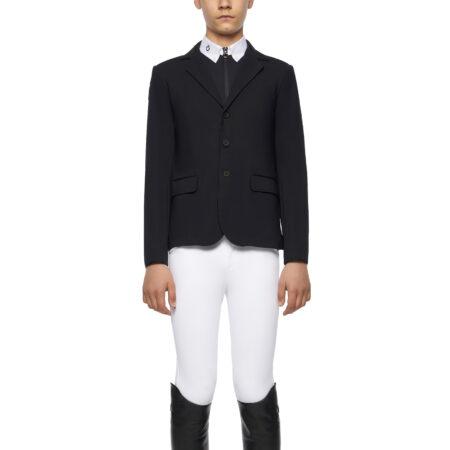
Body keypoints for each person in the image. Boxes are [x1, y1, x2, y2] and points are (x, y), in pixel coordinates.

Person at [142, 1, 311, 448]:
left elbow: (293, 168)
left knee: (255, 381)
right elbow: (157, 170)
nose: (224, 3)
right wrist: (154, 259)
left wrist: (297, 256)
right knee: (195, 382)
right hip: (188, 246)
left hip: (257, 245)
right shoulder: (168, 76)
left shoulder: (278, 76)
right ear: (196, 1)